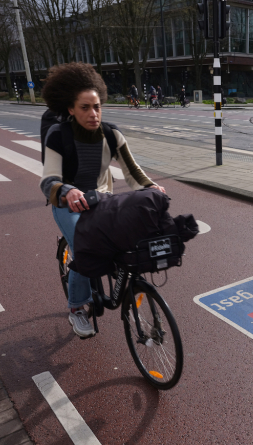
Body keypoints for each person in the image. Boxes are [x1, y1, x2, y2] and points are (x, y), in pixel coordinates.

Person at [40, 63, 165, 337]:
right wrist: (67, 190)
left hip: (102, 200)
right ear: (71, 109)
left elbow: (133, 171)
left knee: (130, 239)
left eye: (97, 106)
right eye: (85, 107)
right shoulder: (58, 135)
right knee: (87, 249)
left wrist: (152, 187)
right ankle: (76, 309)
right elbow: (48, 179)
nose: (93, 114)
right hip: (67, 205)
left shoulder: (111, 134)